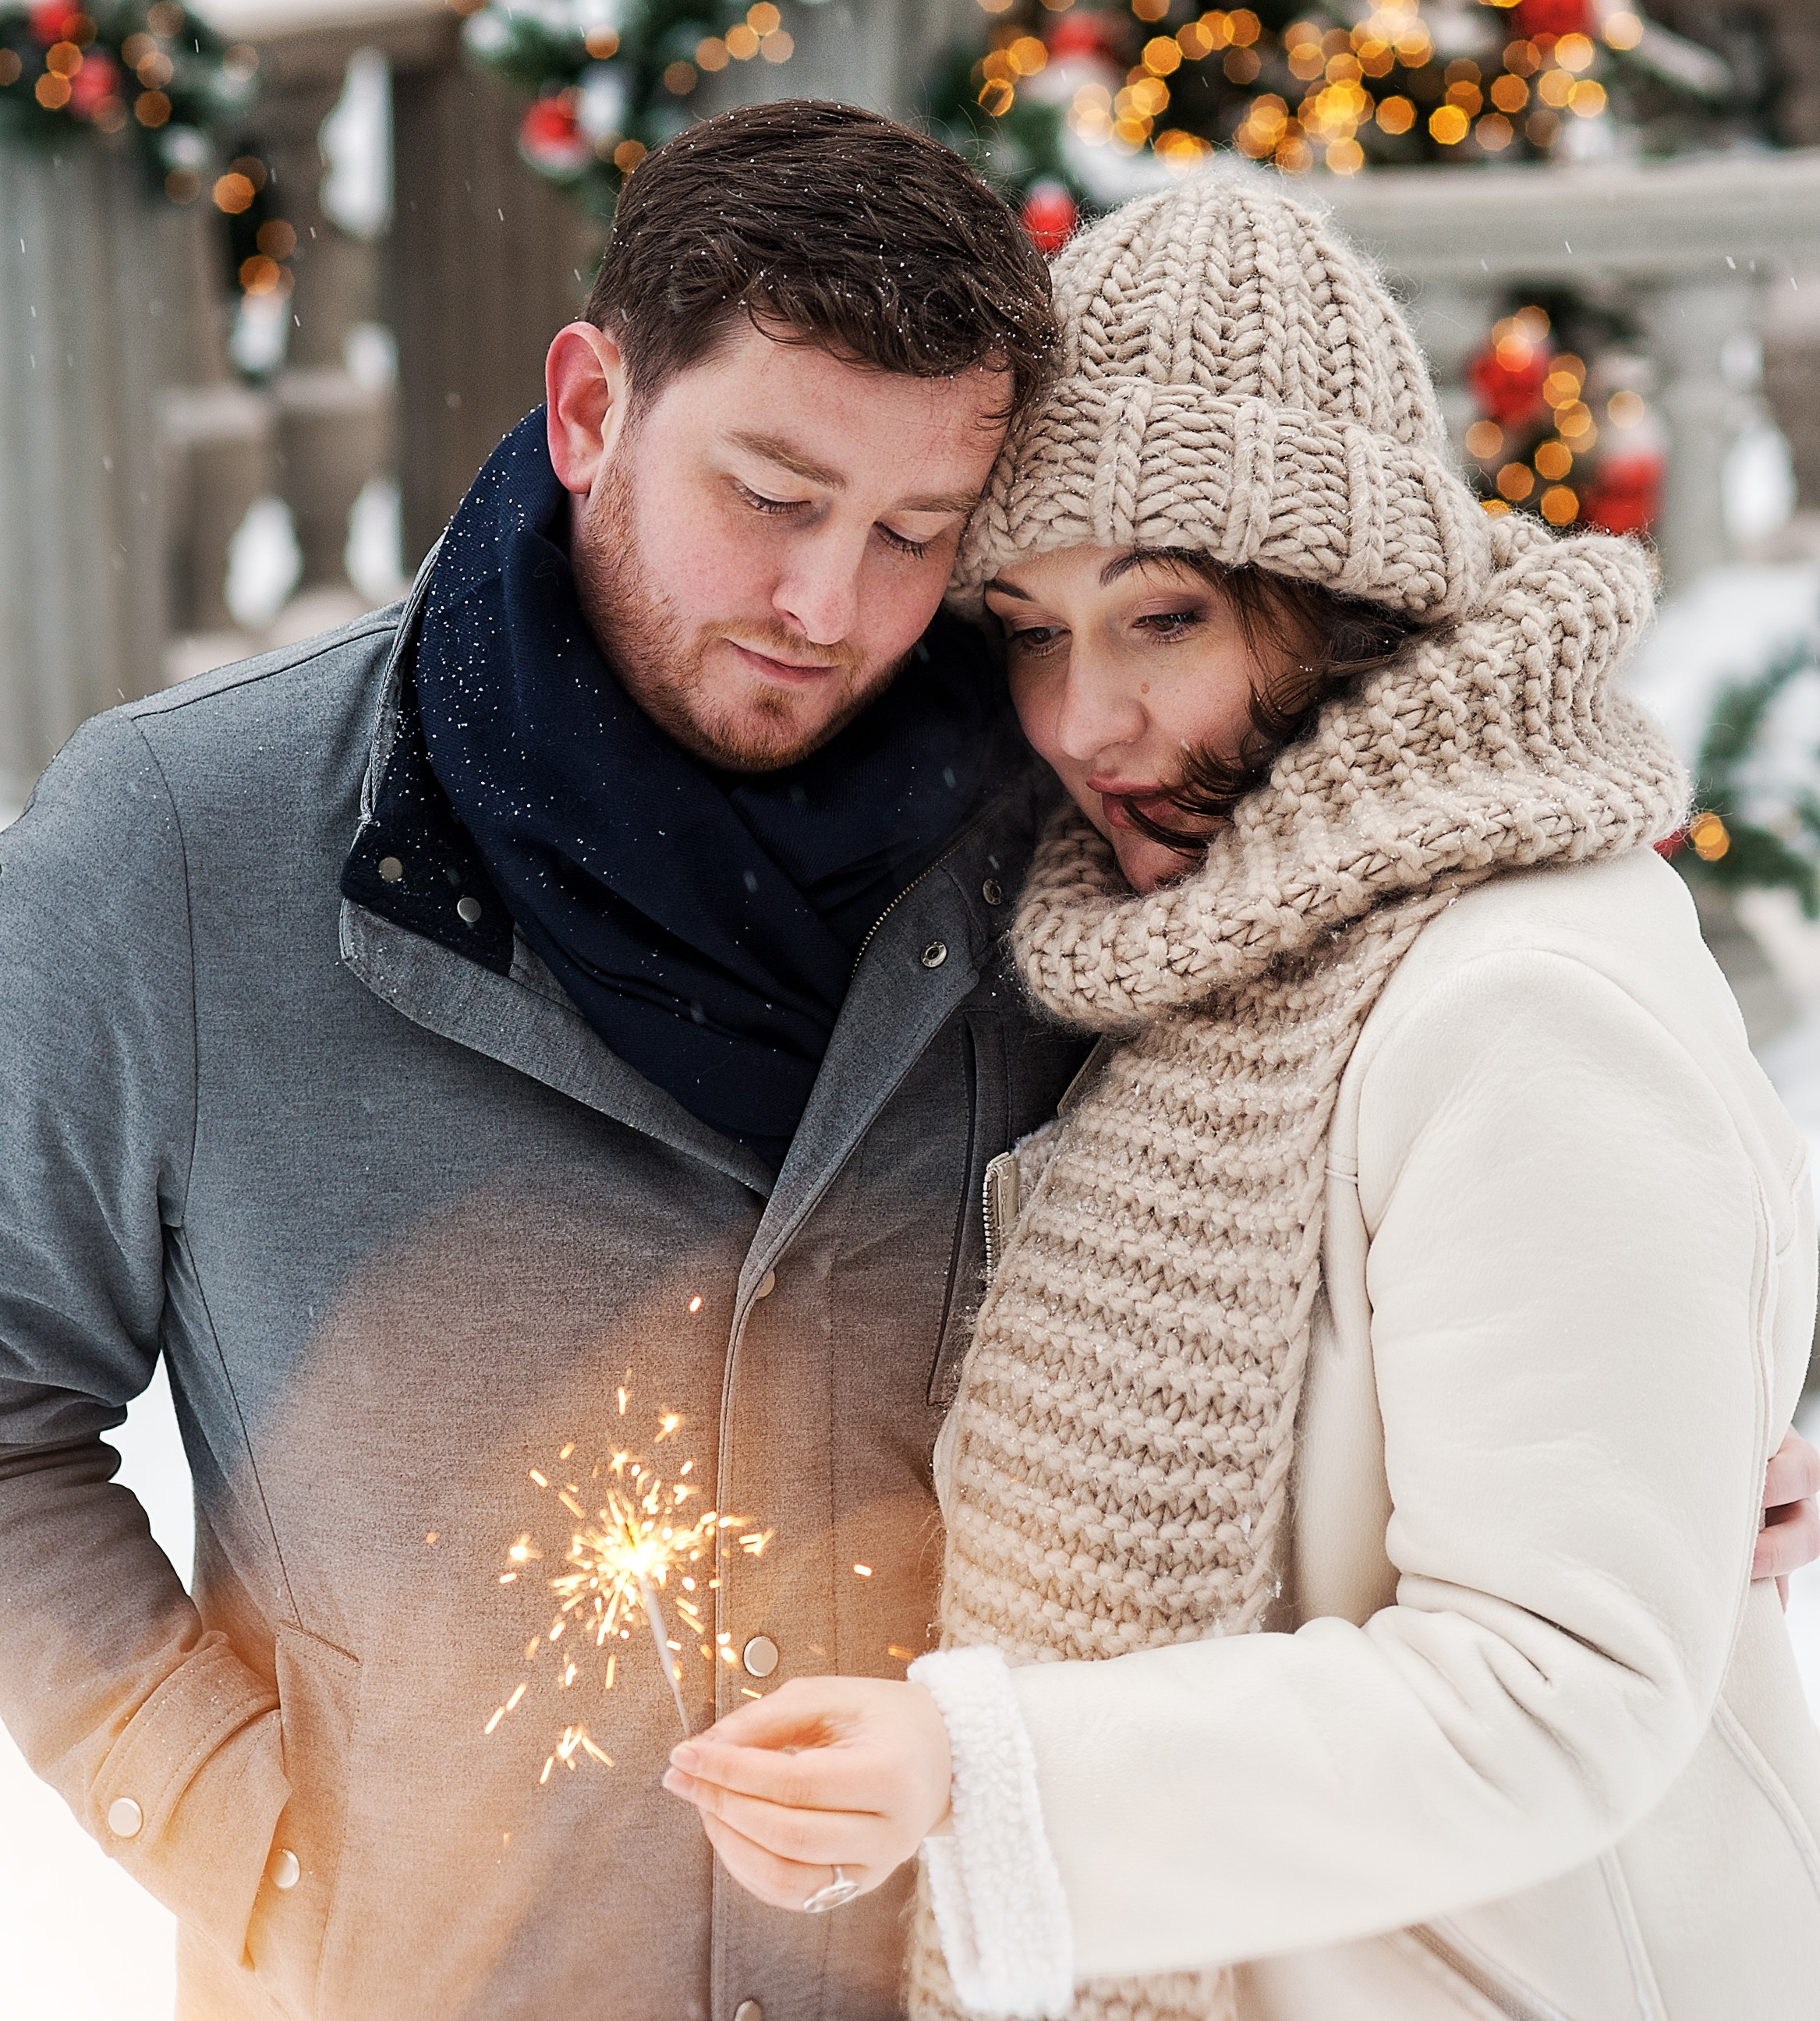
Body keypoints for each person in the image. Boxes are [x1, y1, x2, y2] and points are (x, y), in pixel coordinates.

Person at [659, 179, 1820, 2021]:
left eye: (1165, 615)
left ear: (1343, 598)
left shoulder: (1518, 998)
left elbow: (1556, 1687)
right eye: (1032, 628)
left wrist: (992, 1768)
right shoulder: (1186, 945)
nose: (1082, 719)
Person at [0, 102, 1091, 2021]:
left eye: (915, 533)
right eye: (771, 493)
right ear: (591, 408)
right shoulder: (178, 842)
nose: (828, 606)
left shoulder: (1055, 865)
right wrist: (246, 1837)